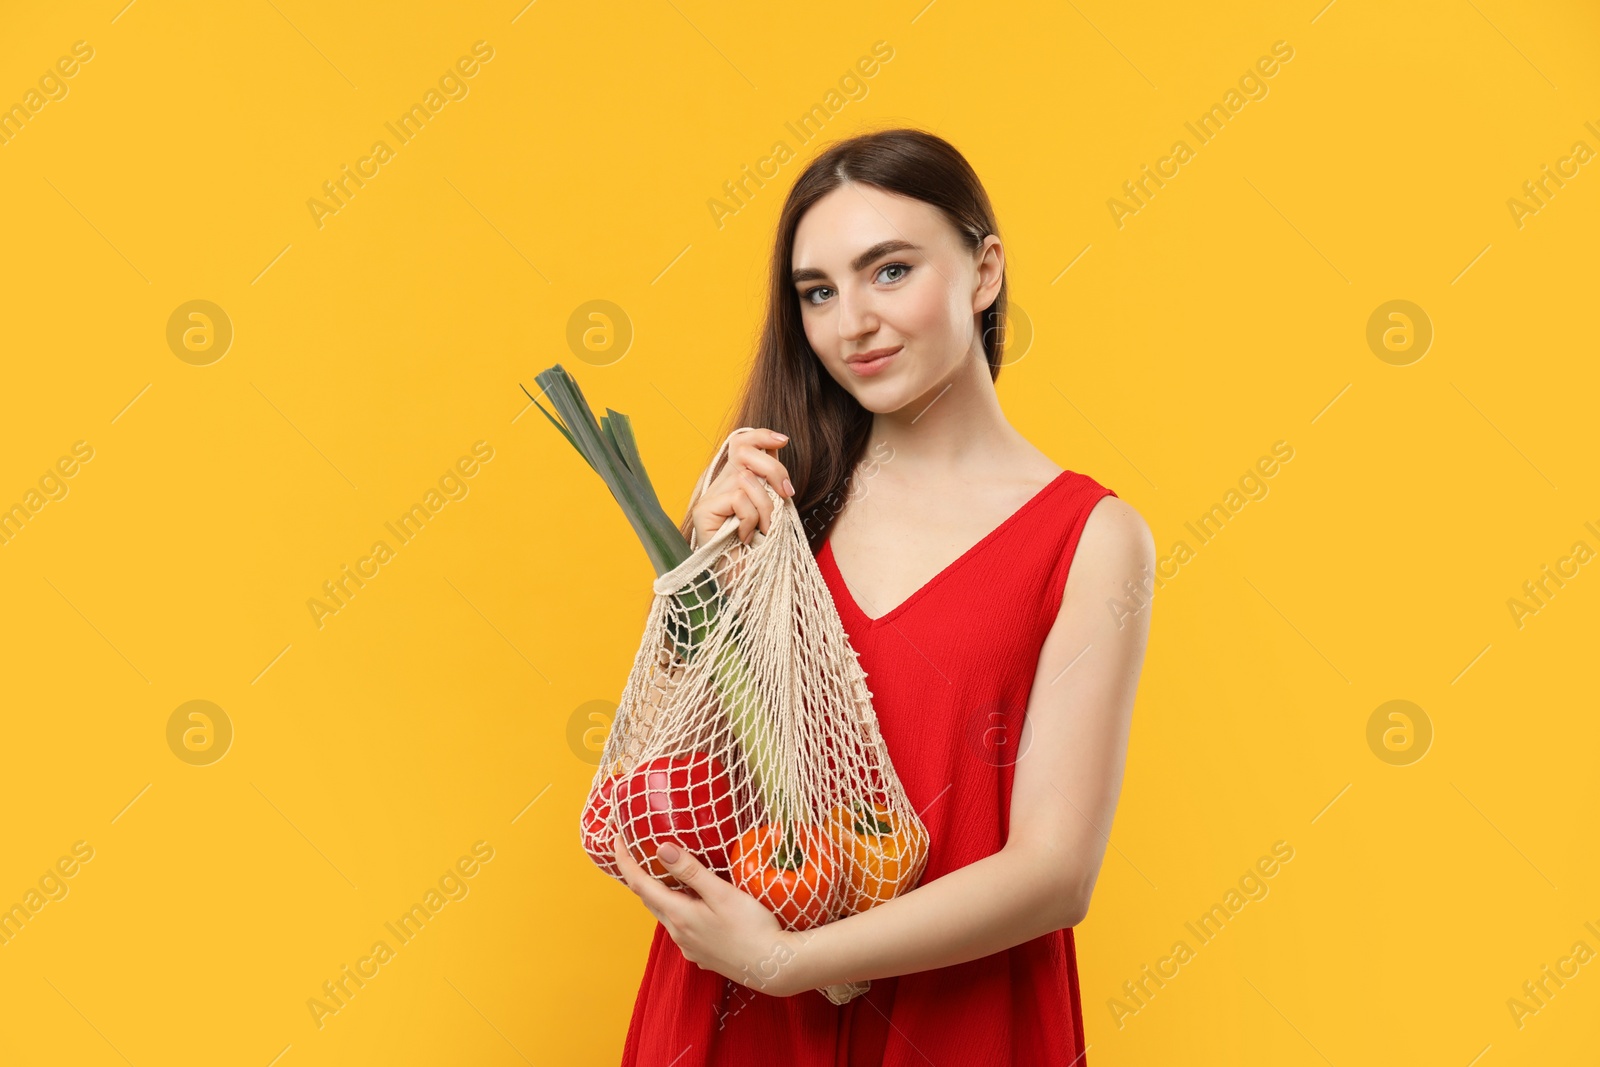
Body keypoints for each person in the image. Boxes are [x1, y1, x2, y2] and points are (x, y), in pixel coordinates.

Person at [610, 126, 1154, 1066]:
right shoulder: (778, 507)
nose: (849, 321)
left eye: (889, 271)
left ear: (984, 271)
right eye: (817, 292)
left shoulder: (1092, 539)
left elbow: (1055, 871)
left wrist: (790, 958)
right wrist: (697, 577)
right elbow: (669, 789)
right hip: (736, 1015)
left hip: (954, 1020)